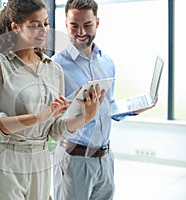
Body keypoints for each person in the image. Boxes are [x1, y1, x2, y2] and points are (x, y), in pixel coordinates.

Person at [0, 0, 106, 199]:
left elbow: (54, 131)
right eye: (34, 24)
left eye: (45, 23)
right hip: (4, 160)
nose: (43, 30)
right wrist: (38, 117)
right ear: (16, 27)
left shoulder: (53, 69)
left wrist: (85, 116)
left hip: (41, 160)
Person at [52, 0, 156, 200]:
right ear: (66, 25)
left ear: (97, 23)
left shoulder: (106, 62)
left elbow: (107, 107)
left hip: (105, 158)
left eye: (87, 24)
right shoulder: (56, 66)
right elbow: (53, 118)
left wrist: (132, 109)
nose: (81, 31)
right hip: (74, 160)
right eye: (74, 25)